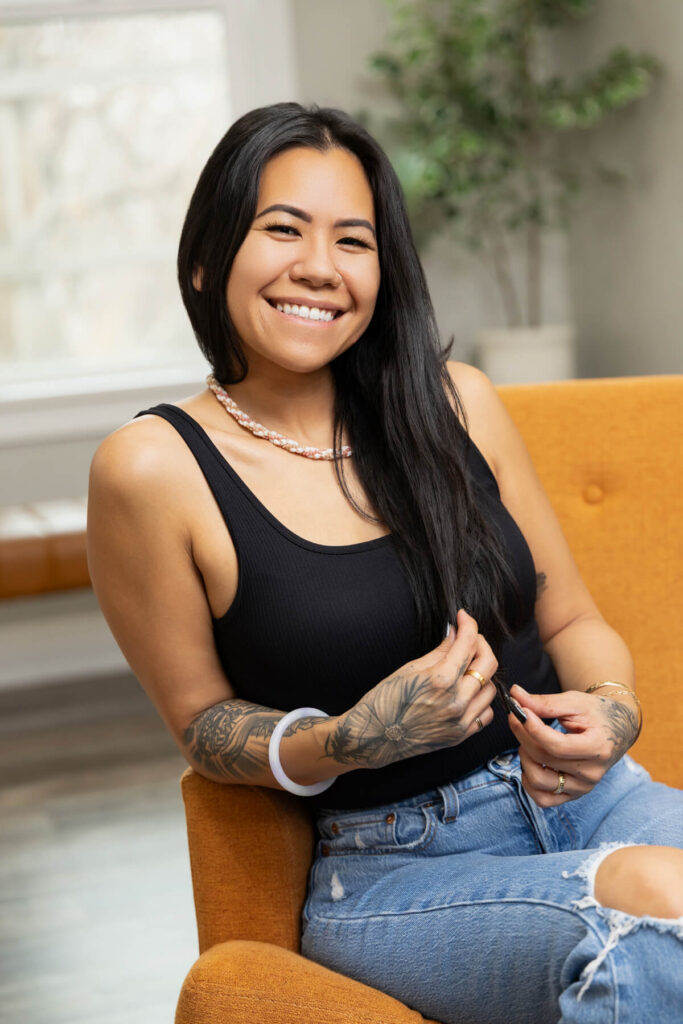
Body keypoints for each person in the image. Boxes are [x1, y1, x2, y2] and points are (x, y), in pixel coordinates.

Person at [87, 102, 683, 1024]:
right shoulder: (153, 468)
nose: (318, 267)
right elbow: (202, 725)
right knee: (649, 911)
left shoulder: (458, 405)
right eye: (281, 228)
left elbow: (569, 619)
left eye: (351, 240)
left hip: (597, 802)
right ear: (207, 258)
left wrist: (611, 709)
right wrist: (358, 737)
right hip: (396, 869)